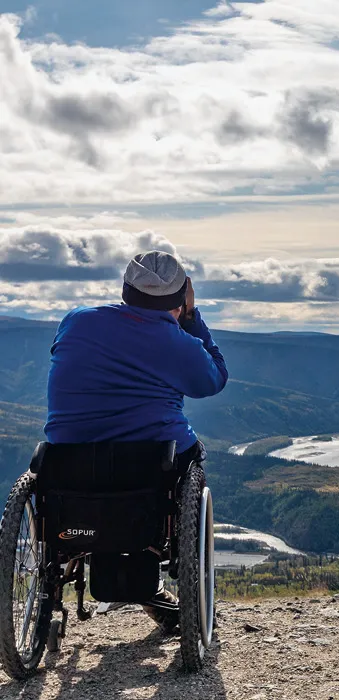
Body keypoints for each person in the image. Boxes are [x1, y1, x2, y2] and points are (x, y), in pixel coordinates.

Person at [45, 250, 229, 633]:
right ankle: (157, 563)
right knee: (193, 455)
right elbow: (214, 380)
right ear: (181, 301)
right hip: (152, 465)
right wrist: (192, 320)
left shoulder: (77, 321)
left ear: (125, 289)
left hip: (69, 464)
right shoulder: (179, 342)